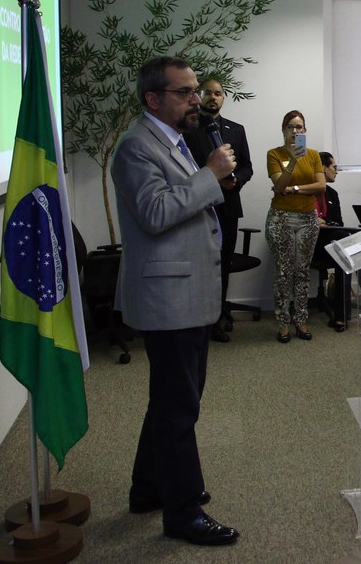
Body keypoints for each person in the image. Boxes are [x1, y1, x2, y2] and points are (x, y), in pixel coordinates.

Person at [113, 56, 239, 545]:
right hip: (169, 298)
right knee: (178, 407)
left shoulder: (174, 140)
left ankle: (149, 488)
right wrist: (209, 174)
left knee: (170, 400)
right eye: (185, 92)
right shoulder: (134, 148)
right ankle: (182, 513)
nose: (196, 100)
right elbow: (156, 211)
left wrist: (205, 173)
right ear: (153, 99)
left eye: (194, 91)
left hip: (185, 293)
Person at [183, 77, 253, 343]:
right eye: (208, 92)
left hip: (228, 207)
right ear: (199, 96)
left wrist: (237, 180)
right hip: (198, 207)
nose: (213, 97)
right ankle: (196, 318)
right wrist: (211, 177)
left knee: (222, 264)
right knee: (199, 264)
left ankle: (218, 317)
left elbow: (247, 166)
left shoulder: (235, 129)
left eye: (219, 93)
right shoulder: (186, 129)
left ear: (224, 98)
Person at [265, 110, 325, 343]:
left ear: (305, 130)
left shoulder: (314, 155)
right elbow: (279, 184)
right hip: (281, 218)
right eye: (290, 127)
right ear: (283, 130)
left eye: (299, 127)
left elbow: (321, 186)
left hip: (308, 219)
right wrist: (293, 162)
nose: (295, 131)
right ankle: (282, 323)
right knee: (283, 272)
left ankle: (301, 319)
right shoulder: (274, 154)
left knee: (302, 272)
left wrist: (296, 189)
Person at [315, 152, 346, 332]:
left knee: (344, 252)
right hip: (310, 245)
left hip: (331, 244)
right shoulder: (306, 191)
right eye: (334, 167)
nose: (336, 171)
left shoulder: (332, 193)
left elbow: (339, 223)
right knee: (344, 247)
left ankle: (340, 315)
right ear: (323, 168)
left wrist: (329, 224)